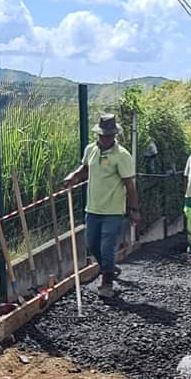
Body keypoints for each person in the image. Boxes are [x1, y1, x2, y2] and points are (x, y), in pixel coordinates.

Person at [65, 113, 140, 298]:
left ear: (114, 135)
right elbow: (85, 168)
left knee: (107, 246)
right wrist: (74, 176)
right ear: (98, 134)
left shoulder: (122, 156)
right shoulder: (91, 149)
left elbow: (130, 185)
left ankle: (107, 282)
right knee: (92, 244)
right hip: (93, 208)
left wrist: (134, 210)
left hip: (113, 210)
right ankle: (109, 267)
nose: (105, 139)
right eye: (102, 135)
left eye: (109, 136)